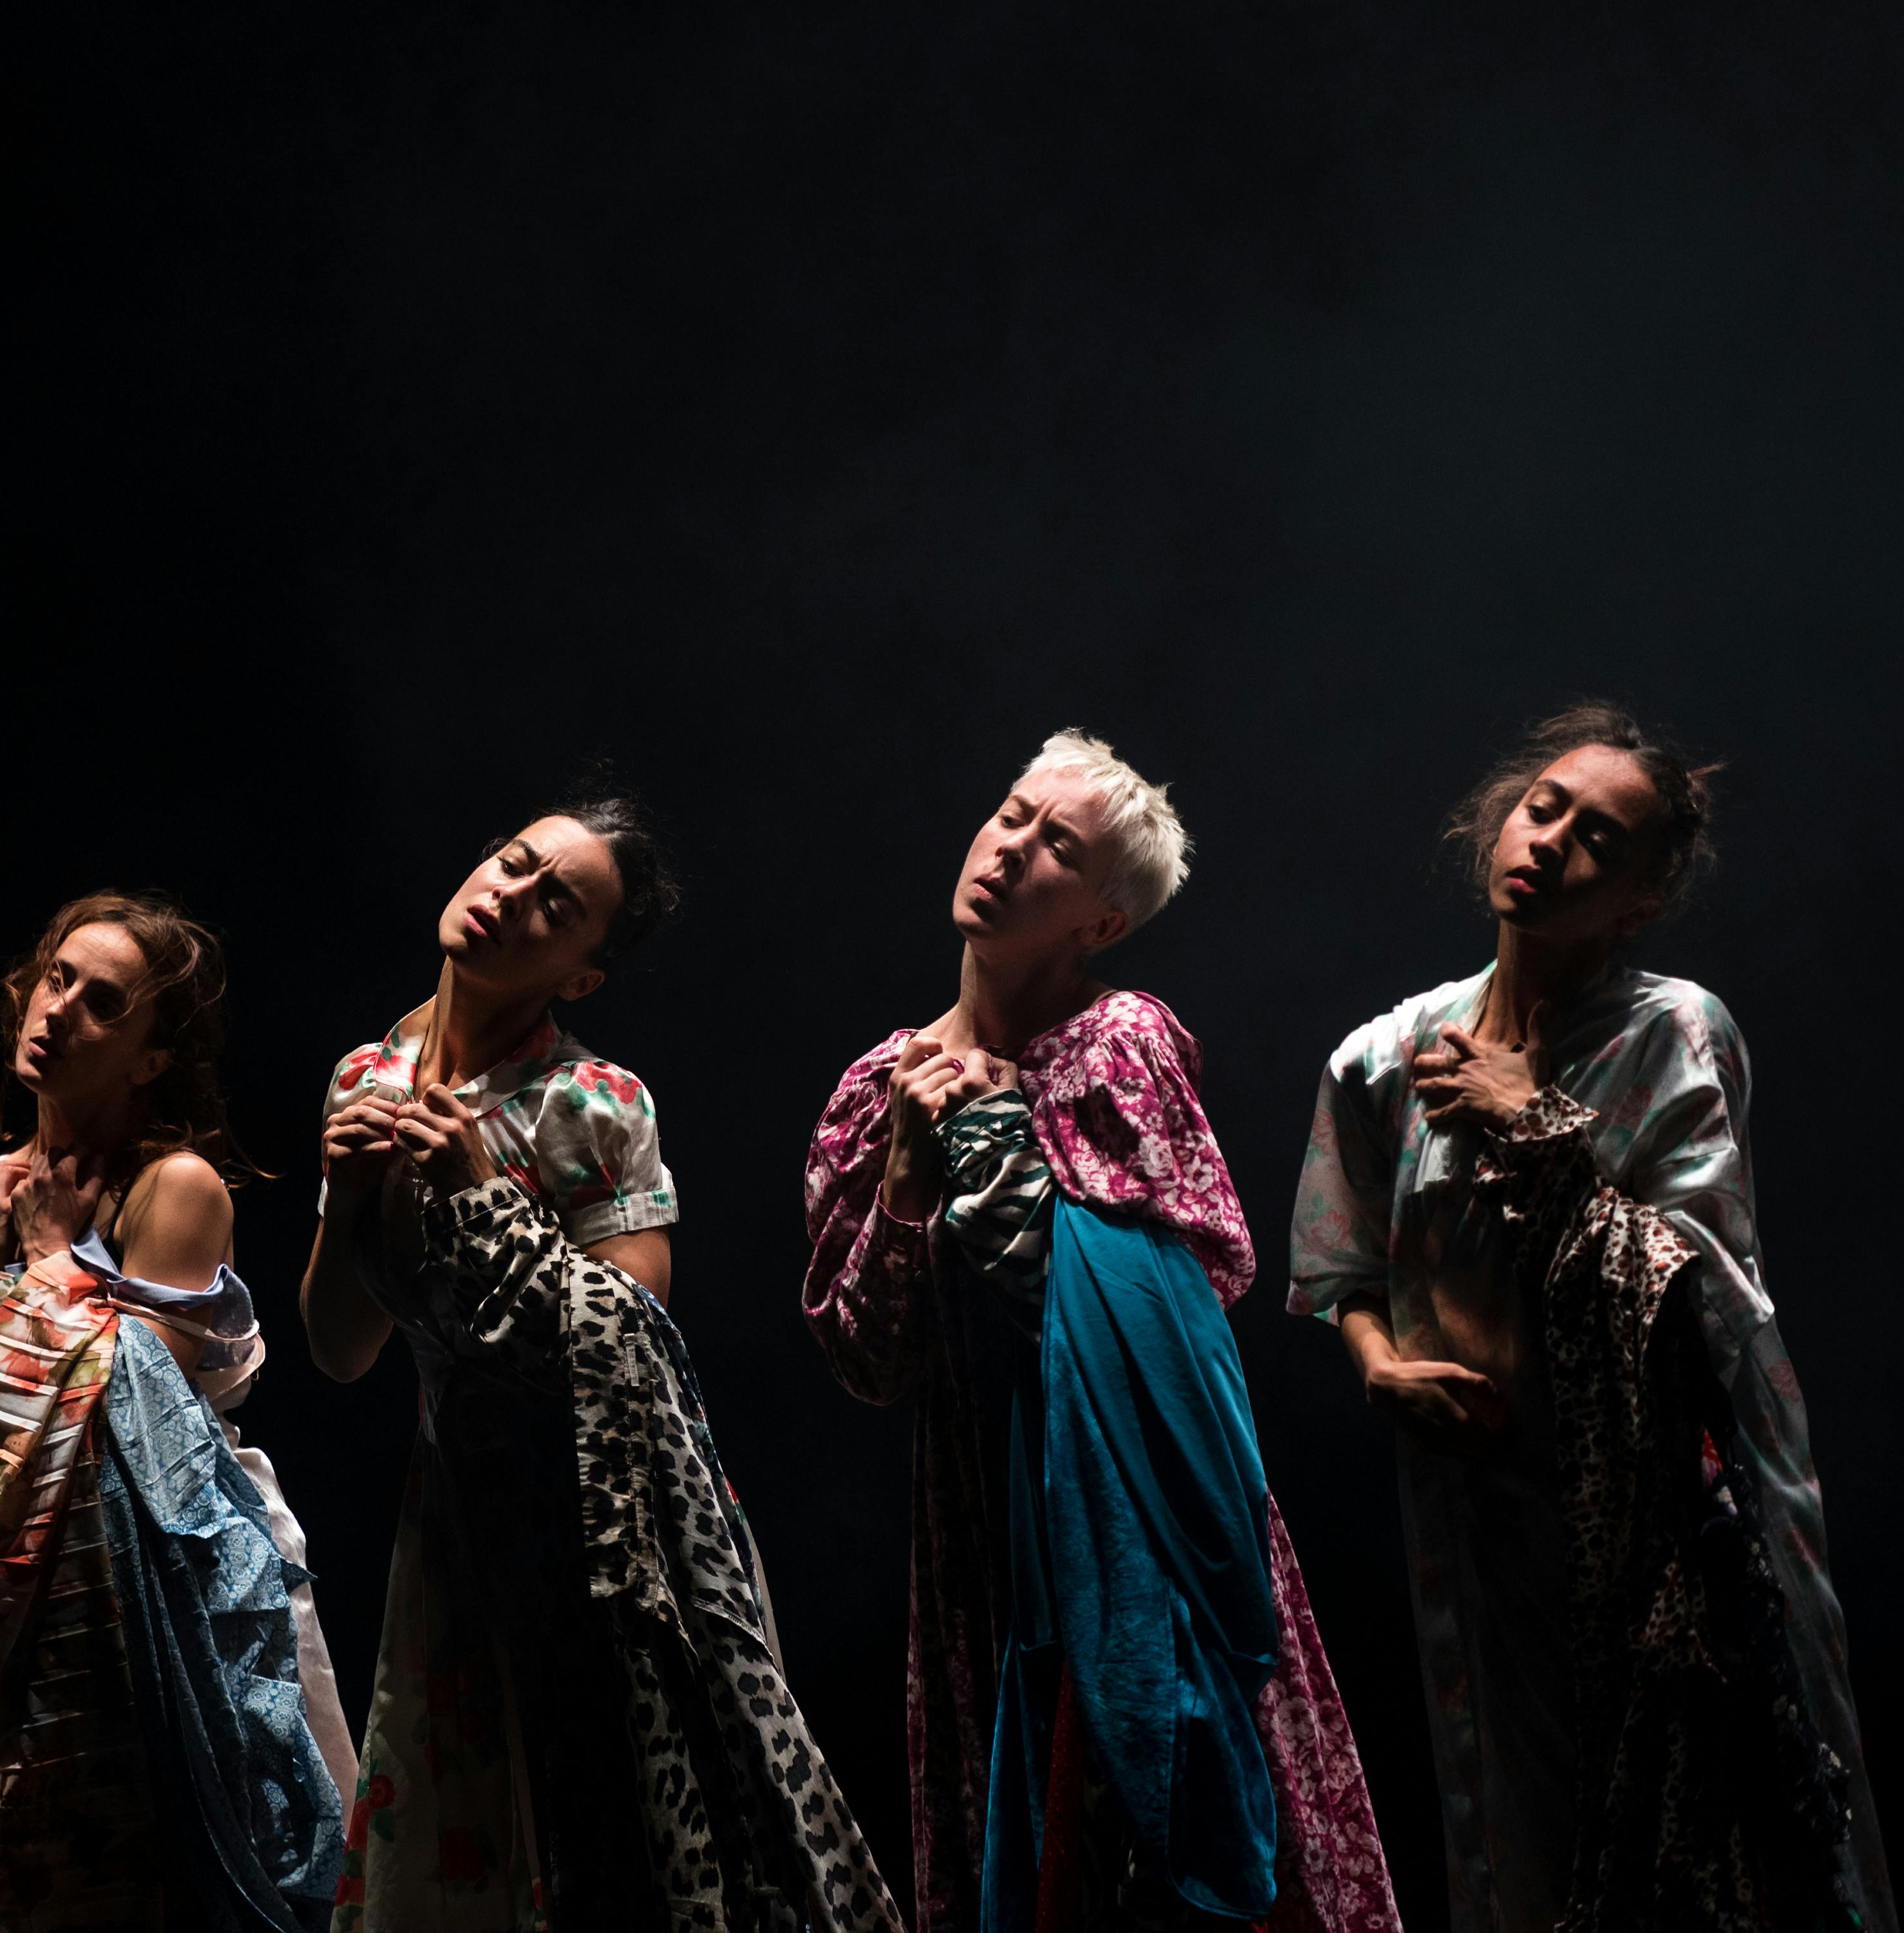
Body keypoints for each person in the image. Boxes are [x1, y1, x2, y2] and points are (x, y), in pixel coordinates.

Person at [1291, 704, 1891, 1933]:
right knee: (1518, 1842)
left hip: (1653, 1540)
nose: (1552, 842)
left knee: (1695, 1864)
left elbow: (1710, 1297)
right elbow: (1337, 1261)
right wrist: (1377, 1365)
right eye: (1544, 807)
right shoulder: (1385, 1054)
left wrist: (1539, 1127)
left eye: (1602, 843)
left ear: (1637, 903)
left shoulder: (1673, 1032)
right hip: (1477, 1526)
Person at [803, 732, 1398, 1933]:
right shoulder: (875, 1091)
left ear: (1103, 922)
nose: (1010, 850)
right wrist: (915, 1178)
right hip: (979, 1523)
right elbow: (866, 1358)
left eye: (1056, 847)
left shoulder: (1118, 1041)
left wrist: (1008, 1141)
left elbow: (1169, 1298)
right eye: (1012, 815)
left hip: (1138, 1492)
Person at [305, 796, 901, 1931]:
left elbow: (632, 1348)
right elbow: (340, 1352)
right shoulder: (362, 1079)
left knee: (631, 1848)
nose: (509, 897)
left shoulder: (595, 1103)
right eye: (512, 864)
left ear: (580, 976)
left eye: (554, 906)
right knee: (464, 1856)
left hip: (605, 1531)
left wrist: (483, 1188)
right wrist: (345, 1200)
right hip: (452, 1532)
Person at [0, 892, 349, 1932]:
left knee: (199, 1859)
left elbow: (137, 1422)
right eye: (57, 979)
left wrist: (55, 1260)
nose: (57, 1011)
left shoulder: (176, 1191)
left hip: (174, 1570)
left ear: (153, 1059)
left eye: (103, 1004)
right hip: (16, 1574)